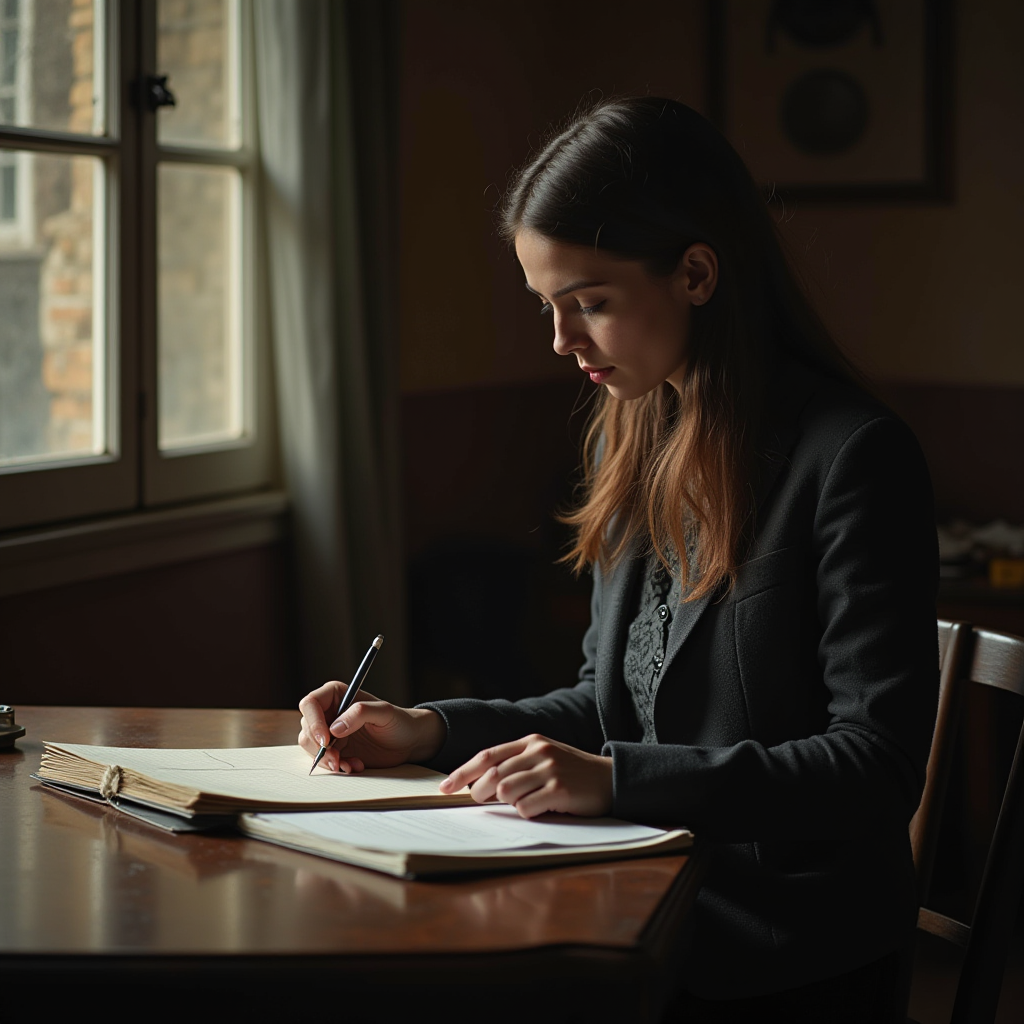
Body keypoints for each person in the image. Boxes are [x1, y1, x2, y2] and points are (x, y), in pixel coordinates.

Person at [298, 97, 938, 1021]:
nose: (561, 342)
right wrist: (429, 728)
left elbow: (875, 767)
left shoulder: (853, 456)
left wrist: (617, 781)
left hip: (781, 949)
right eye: (547, 307)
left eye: (590, 303)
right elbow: (607, 703)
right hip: (644, 901)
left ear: (697, 274)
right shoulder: (630, 438)